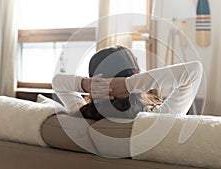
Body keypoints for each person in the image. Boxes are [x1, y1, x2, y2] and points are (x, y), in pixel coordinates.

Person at [52, 45, 203, 120]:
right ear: (134, 74)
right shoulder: (156, 117)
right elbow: (194, 70)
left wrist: (85, 84)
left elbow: (57, 81)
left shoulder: (81, 114)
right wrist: (128, 85)